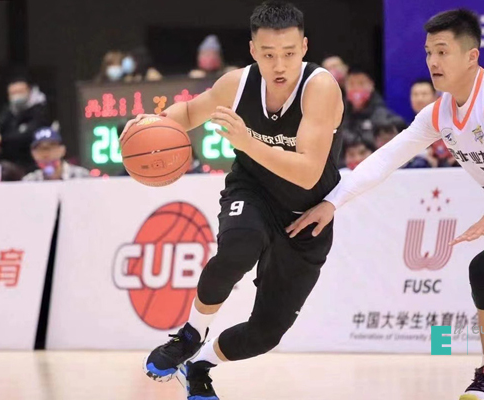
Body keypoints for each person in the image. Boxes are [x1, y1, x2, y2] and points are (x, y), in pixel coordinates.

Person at [287, 9, 484, 400]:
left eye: (443, 51)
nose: (433, 61)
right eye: (429, 52)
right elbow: (385, 159)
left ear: (471, 56)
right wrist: (332, 202)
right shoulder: (439, 113)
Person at [121, 1, 343, 399]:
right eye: (269, 54)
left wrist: (247, 140)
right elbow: (190, 112)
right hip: (253, 190)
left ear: (305, 47)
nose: (279, 65)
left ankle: (200, 364)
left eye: (289, 53)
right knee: (238, 248)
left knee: (265, 334)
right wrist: (153, 125)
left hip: (307, 213)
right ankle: (190, 335)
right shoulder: (236, 84)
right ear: (253, 50)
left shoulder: (320, 88)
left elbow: (308, 172)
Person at [0, 73, 51, 174]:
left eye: (20, 92)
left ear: (29, 91)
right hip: (9, 164)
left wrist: (1, 139)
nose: (16, 96)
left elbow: (28, 135)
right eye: (13, 93)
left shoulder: (40, 111)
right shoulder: (9, 111)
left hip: (33, 165)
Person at [22, 127, 90, 181]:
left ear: (62, 150)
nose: (46, 153)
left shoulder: (82, 176)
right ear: (33, 154)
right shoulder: (29, 181)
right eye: (40, 149)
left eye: (51, 147)